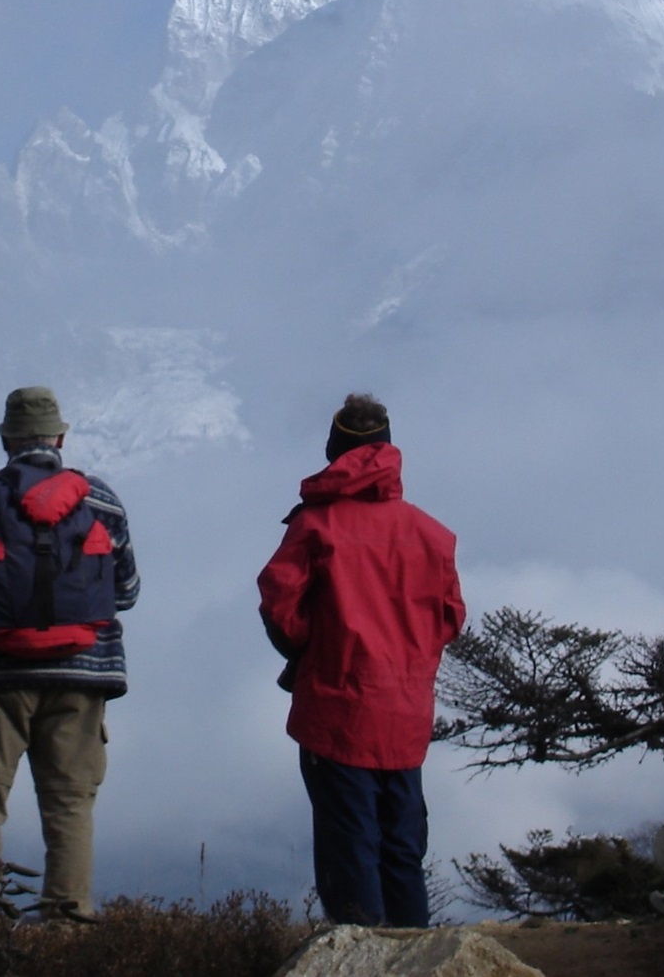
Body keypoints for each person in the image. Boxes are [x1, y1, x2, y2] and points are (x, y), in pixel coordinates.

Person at [0, 386, 140, 920]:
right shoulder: (102, 501)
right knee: (69, 805)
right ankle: (67, 933)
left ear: (7, 441)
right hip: (81, 679)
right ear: (60, 438)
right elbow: (128, 592)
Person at [257, 392, 465, 928]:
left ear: (335, 449)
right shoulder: (432, 534)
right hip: (406, 717)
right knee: (402, 852)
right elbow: (450, 620)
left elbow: (281, 608)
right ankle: (417, 958)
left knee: (350, 853)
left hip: (337, 710)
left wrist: (311, 650)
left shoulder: (315, 527)